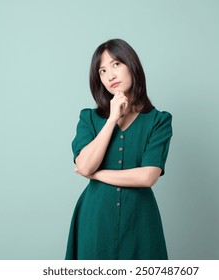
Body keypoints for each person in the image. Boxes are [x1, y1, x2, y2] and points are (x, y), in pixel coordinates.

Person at [65, 39, 172, 260]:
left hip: (140, 221)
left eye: (116, 65)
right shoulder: (88, 118)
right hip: (95, 219)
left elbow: (147, 176)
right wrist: (112, 119)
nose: (110, 75)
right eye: (102, 71)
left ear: (131, 65)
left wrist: (97, 174)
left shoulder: (158, 121)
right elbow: (84, 165)